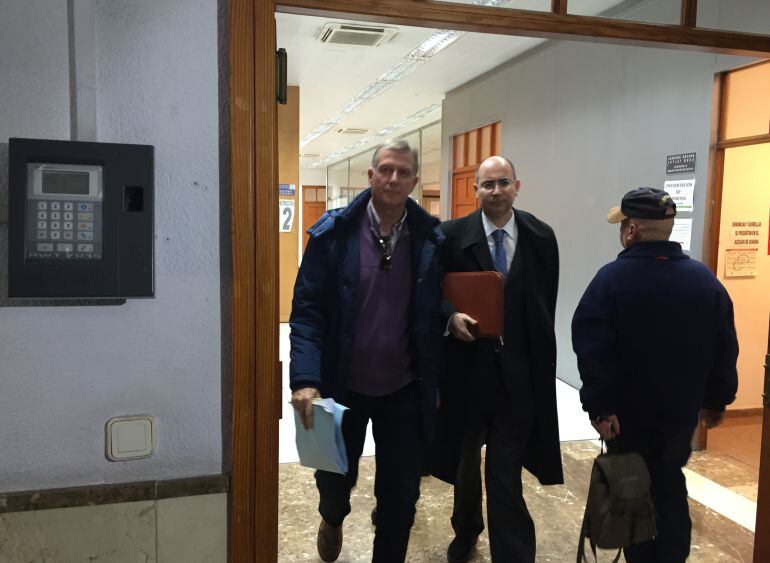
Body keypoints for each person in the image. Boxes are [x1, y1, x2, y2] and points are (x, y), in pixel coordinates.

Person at [289, 139, 444, 563]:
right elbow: (307, 312)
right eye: (386, 170)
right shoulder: (334, 234)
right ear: (371, 175)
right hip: (343, 386)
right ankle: (332, 516)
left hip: (404, 387)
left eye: (403, 172)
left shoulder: (430, 239)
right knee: (335, 480)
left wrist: (436, 379)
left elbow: (436, 309)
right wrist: (305, 379)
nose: (394, 179)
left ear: (415, 181)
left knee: (401, 496)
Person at [572, 187, 739, 562]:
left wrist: (600, 408)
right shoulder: (705, 282)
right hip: (680, 416)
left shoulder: (610, 281)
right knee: (668, 482)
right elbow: (724, 347)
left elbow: (592, 350)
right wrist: (716, 401)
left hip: (626, 419)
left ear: (631, 230)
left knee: (633, 488)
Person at [432, 155, 563, 562]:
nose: (496, 191)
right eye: (487, 184)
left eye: (503, 182)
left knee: (505, 471)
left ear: (517, 187)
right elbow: (429, 293)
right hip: (467, 374)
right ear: (475, 190)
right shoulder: (450, 236)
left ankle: (514, 553)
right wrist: (449, 317)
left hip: (517, 377)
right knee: (465, 462)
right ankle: (466, 529)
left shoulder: (540, 236)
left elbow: (544, 304)